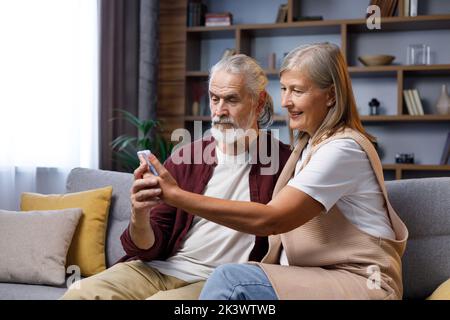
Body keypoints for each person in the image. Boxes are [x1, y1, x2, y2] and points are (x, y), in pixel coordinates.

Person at [144, 43, 409, 300]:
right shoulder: (307, 146)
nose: (285, 102)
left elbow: (272, 220)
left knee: (232, 281)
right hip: (317, 276)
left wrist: (176, 196)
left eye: (297, 91)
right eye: (283, 89)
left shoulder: (342, 150)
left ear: (330, 96)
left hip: (362, 282)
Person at [61, 54, 291, 300]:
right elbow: (149, 247)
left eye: (231, 100)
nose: (220, 111)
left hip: (217, 281)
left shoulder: (283, 163)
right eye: (214, 99)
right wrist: (140, 214)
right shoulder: (187, 157)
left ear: (258, 102)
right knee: (80, 293)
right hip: (159, 269)